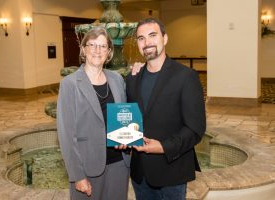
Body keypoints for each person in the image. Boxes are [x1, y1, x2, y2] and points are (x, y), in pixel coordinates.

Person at [126, 18, 206, 200]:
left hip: (171, 172)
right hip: (140, 174)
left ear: (165, 38)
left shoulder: (186, 77)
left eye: (152, 35)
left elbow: (195, 129)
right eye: (141, 38)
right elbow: (128, 117)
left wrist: (163, 147)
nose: (147, 43)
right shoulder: (132, 79)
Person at [57, 26, 129, 200]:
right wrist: (77, 175)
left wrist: (126, 138)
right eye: (92, 45)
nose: (98, 50)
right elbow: (66, 135)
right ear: (83, 49)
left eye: (103, 46)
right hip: (87, 167)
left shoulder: (117, 79)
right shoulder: (70, 84)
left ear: (109, 52)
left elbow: (124, 115)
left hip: (119, 164)